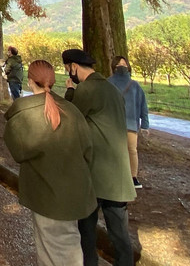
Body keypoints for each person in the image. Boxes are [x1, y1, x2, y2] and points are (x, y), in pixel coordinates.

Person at [4, 60, 97, 266]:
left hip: (46, 195)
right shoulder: (72, 111)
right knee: (65, 246)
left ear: (30, 81)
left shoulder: (24, 114)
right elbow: (88, 150)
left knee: (53, 250)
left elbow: (18, 151)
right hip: (76, 191)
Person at [62, 48, 136, 266]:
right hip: (118, 174)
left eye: (67, 69)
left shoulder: (87, 89)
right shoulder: (111, 89)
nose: (68, 73)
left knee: (87, 231)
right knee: (120, 234)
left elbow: (71, 119)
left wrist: (69, 92)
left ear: (74, 66)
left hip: (95, 172)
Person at [109, 55, 149, 188]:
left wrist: (145, 125)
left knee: (132, 150)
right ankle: (115, 177)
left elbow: (143, 105)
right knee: (115, 151)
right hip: (113, 124)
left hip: (130, 124)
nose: (122, 67)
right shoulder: (107, 83)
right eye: (119, 65)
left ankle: (133, 177)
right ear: (114, 66)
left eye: (124, 64)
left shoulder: (135, 85)